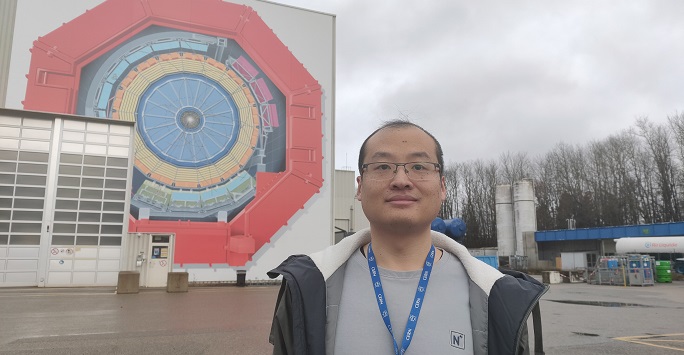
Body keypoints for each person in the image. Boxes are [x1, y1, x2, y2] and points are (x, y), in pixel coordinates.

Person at [268, 120, 548, 355]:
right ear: (359, 187)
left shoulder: (498, 296)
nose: (401, 180)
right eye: (382, 167)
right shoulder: (307, 288)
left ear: (442, 188)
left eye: (419, 167)